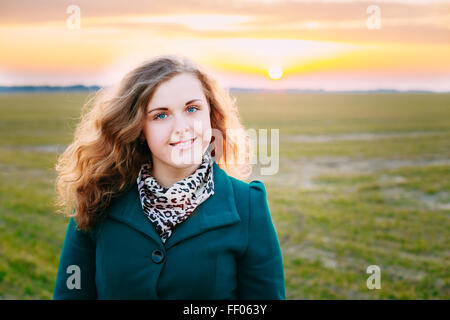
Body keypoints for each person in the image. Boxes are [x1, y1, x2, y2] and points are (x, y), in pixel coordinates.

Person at [52, 54, 285, 300]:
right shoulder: (97, 197)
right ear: (139, 129)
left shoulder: (248, 204)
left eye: (192, 109)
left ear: (211, 116)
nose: (181, 127)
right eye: (161, 115)